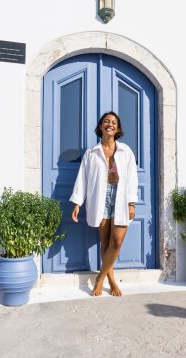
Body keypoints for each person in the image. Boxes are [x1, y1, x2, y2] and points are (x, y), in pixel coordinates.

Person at [70, 111, 138, 297]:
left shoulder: (126, 151)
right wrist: (77, 202)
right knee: (105, 243)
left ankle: (100, 278)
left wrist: (132, 203)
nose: (110, 124)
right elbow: (82, 179)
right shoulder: (91, 153)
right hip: (100, 197)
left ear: (118, 128)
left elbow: (132, 178)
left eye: (114, 122)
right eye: (106, 121)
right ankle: (111, 280)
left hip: (121, 198)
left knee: (116, 242)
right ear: (100, 127)